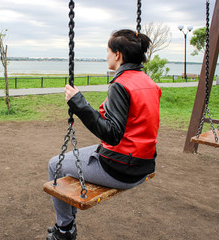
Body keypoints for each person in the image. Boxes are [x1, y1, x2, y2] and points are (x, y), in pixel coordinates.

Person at [46, 29, 162, 240]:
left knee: (55, 164)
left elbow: (112, 135)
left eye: (108, 51)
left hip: (120, 169)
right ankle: (67, 224)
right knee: (79, 157)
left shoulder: (120, 85)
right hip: (143, 164)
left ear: (118, 54)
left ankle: (64, 230)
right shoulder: (149, 83)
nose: (106, 56)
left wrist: (78, 103)